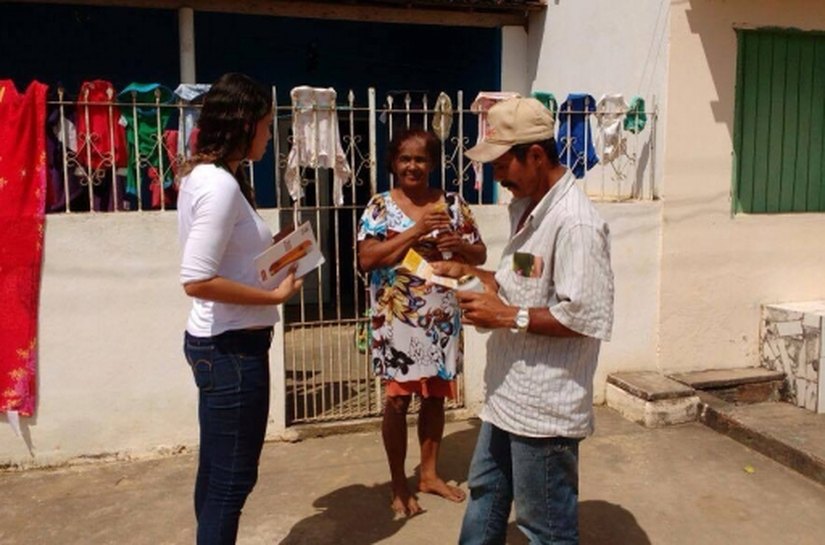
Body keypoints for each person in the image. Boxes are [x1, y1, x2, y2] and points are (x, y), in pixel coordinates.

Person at [433, 97, 614, 544]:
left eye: (501, 164)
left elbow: (585, 314)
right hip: (508, 396)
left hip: (545, 409)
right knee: (486, 493)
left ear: (535, 155)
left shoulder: (575, 225)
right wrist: (472, 274)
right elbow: (523, 282)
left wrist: (505, 315)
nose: (496, 176)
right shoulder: (531, 210)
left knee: (544, 529)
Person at [177, 73, 304, 545]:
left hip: (221, 344)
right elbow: (197, 278)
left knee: (216, 475)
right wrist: (272, 297)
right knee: (231, 482)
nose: (270, 138)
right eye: (268, 127)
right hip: (231, 349)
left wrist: (281, 250)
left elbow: (228, 254)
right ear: (245, 124)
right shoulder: (220, 186)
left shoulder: (211, 177)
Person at [357, 128, 487, 517]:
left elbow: (478, 254)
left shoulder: (454, 204)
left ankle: (429, 475)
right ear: (394, 163)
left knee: (434, 397)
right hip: (396, 319)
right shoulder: (379, 206)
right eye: (405, 159)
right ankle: (399, 482)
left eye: (421, 159)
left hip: (440, 319)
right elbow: (367, 259)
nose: (413, 166)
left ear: (432, 163)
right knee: (397, 400)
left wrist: (456, 243)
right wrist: (415, 231)